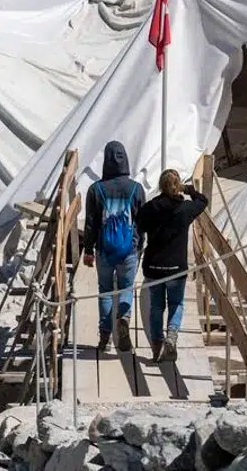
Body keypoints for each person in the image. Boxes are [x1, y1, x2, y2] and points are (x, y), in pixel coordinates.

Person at [135, 168, 209, 362]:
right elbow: (203, 201)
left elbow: (138, 222)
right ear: (178, 186)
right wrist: (189, 190)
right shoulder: (185, 208)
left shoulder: (151, 207)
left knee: (156, 307)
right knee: (176, 304)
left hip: (154, 266)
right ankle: (172, 336)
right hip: (176, 268)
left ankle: (157, 345)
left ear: (160, 185)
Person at [81, 141, 143, 354]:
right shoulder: (136, 188)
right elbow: (141, 221)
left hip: (104, 250)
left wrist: (88, 250)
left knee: (105, 292)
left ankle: (105, 338)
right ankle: (124, 318)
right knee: (126, 289)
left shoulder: (95, 189)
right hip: (128, 249)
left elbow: (91, 223)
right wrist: (139, 246)